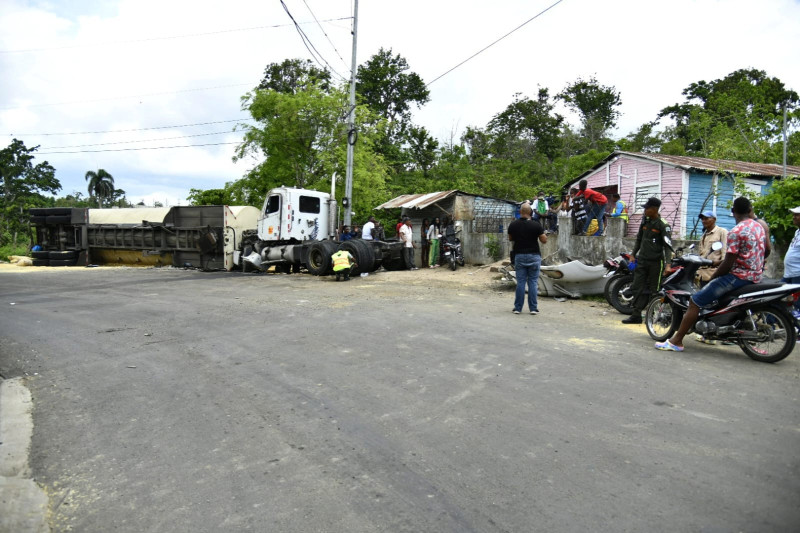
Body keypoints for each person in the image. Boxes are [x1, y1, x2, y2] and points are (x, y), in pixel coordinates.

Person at [655, 196, 767, 351]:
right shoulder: (759, 227)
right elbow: (767, 250)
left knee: (695, 300)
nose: (704, 221)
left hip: (737, 277)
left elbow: (728, 261)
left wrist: (715, 277)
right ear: (750, 210)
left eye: (707, 218)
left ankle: (676, 341)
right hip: (755, 276)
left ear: (733, 211)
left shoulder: (735, 231)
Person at [622, 197, 671, 325]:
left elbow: (667, 246)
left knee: (655, 290)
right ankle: (636, 315)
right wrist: (633, 254)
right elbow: (639, 239)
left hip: (656, 262)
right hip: (642, 260)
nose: (645, 210)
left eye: (647, 208)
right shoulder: (645, 221)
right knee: (637, 287)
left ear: (654, 209)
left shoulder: (663, 225)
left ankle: (653, 315)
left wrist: (668, 265)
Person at [508, 202, 547, 314]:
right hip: (534, 256)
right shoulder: (536, 225)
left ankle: (518, 308)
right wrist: (544, 234)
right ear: (530, 212)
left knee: (520, 282)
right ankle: (533, 308)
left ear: (520, 212)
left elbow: (511, 238)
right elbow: (544, 240)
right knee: (533, 282)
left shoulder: (513, 224)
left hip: (519, 255)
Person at [695, 211, 727, 284]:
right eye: (702, 219)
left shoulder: (722, 232)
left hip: (714, 274)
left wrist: (721, 269)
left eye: (706, 218)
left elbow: (725, 255)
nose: (703, 221)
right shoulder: (704, 235)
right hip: (701, 274)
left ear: (714, 219)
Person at [782, 206, 800, 314]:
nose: (794, 217)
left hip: (798, 274)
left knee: (797, 304)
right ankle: (770, 324)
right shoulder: (797, 232)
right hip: (790, 273)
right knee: (774, 297)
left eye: (797, 215)